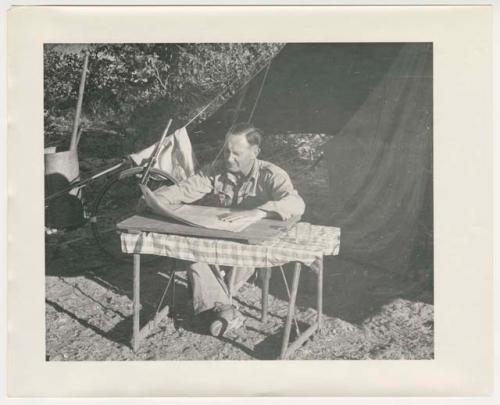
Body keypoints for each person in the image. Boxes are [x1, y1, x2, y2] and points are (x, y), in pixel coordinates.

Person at [139, 123, 306, 336]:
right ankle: (226, 310)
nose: (228, 158)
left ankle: (216, 304)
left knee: (241, 253)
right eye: (226, 151)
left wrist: (259, 212)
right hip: (216, 241)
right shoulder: (215, 171)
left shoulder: (271, 174)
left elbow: (296, 203)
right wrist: (156, 200)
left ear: (255, 152)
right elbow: (183, 190)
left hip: (247, 248)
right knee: (189, 250)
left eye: (236, 153)